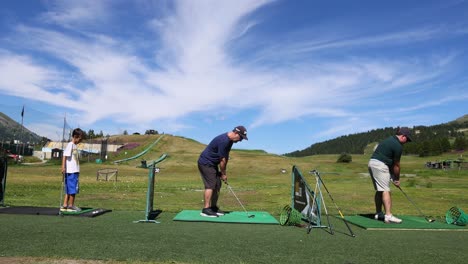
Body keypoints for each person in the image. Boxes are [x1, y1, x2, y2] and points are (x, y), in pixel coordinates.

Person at [197, 125, 248, 217]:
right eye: (241, 137)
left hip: (212, 164)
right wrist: (223, 174)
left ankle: (213, 207)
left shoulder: (230, 141)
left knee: (218, 184)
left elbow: (226, 156)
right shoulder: (223, 141)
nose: (240, 140)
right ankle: (206, 209)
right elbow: (222, 160)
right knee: (211, 185)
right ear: (236, 133)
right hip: (205, 163)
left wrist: (221, 172)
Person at [368, 127, 412, 223]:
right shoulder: (398, 146)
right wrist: (396, 179)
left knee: (380, 190)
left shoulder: (389, 139)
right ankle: (388, 215)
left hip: (372, 163)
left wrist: (392, 175)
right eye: (407, 139)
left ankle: (378, 213)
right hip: (380, 165)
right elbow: (396, 165)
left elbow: (390, 162)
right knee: (385, 190)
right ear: (403, 136)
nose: (406, 142)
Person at [61, 128, 84, 212]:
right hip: (71, 171)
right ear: (75, 136)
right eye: (80, 139)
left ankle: (65, 205)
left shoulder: (74, 146)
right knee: (73, 188)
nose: (80, 141)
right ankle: (71, 205)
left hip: (74, 171)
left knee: (69, 188)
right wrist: (63, 167)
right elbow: (65, 155)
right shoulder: (70, 144)